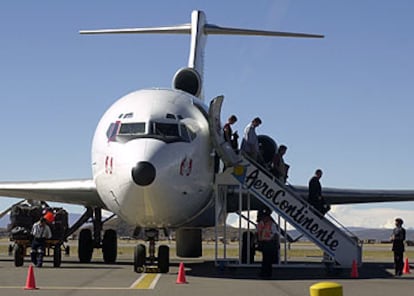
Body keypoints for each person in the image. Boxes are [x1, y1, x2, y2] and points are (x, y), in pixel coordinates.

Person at [257, 208, 279, 278]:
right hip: (263, 243)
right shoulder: (260, 224)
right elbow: (258, 233)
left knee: (268, 260)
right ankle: (264, 273)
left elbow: (275, 234)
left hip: (269, 243)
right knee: (265, 259)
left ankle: (267, 274)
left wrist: (276, 243)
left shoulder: (272, 224)